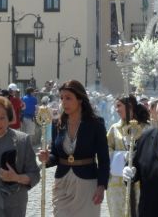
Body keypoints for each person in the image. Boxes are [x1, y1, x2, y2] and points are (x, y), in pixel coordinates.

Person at [37, 80, 110, 217]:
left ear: (80, 99)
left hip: (87, 184)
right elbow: (55, 156)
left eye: (68, 98)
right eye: (62, 98)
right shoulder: (58, 123)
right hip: (62, 183)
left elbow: (104, 159)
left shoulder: (95, 124)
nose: (64, 102)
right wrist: (47, 158)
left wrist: (101, 185)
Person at [106, 94, 151, 217]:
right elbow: (105, 151)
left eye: (119, 106)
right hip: (117, 184)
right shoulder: (114, 128)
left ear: (130, 107)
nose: (116, 109)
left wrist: (136, 157)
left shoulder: (146, 128)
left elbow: (152, 152)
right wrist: (123, 156)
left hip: (140, 183)